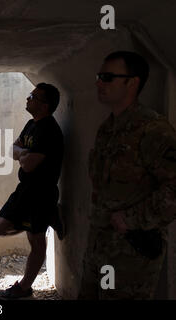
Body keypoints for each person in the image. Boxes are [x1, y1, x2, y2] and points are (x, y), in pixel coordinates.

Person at [79, 51, 176, 299]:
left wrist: (131, 219)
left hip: (131, 255)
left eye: (107, 77)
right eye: (99, 76)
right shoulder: (107, 128)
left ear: (132, 82)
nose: (99, 83)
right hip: (99, 247)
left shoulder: (153, 130)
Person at [0, 83, 64, 300]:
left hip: (41, 192)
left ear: (44, 104)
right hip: (25, 189)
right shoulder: (32, 124)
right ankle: (51, 216)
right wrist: (23, 153)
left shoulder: (49, 130)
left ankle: (24, 287)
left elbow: (28, 164)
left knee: (36, 240)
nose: (27, 99)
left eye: (32, 96)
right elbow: (14, 150)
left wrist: (22, 155)